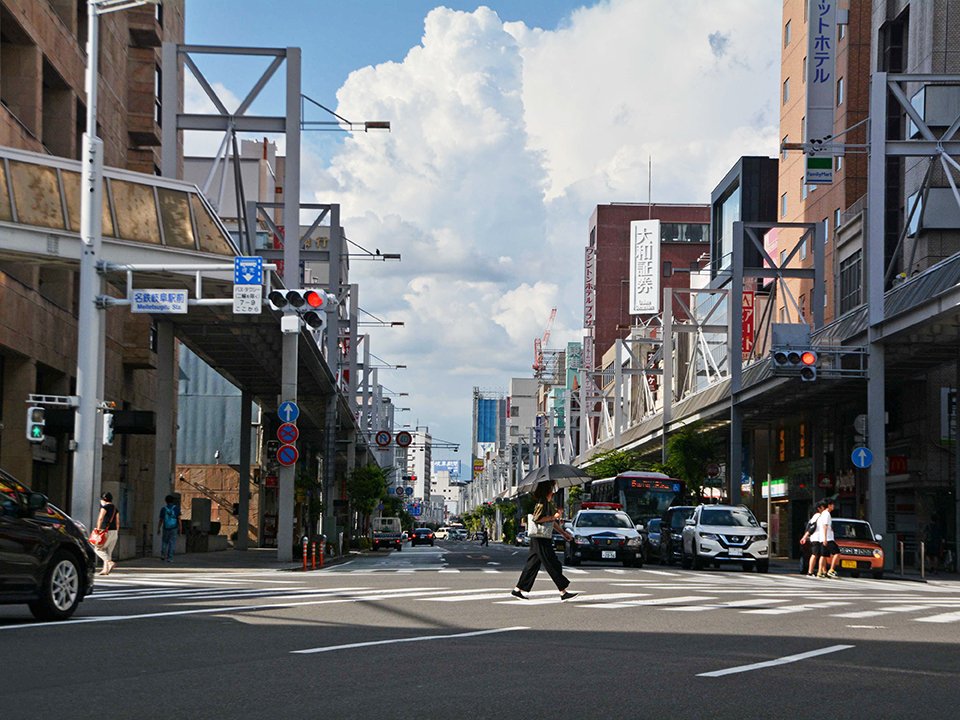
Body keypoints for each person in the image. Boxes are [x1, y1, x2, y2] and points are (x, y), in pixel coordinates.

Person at [511, 481, 579, 601]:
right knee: (552, 563)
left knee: (532, 565)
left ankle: (518, 589)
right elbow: (538, 519)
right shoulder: (542, 502)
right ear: (547, 490)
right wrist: (555, 516)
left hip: (540, 537)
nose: (554, 491)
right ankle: (563, 591)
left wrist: (563, 533)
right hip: (540, 538)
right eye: (552, 488)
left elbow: (551, 523)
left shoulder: (547, 503)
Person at [94, 492, 120, 575]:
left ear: (103, 499)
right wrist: (117, 531)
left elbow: (100, 518)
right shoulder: (115, 509)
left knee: (98, 549)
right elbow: (118, 522)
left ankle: (109, 562)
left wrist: (98, 530)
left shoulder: (104, 507)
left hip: (105, 531)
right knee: (108, 551)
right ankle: (106, 570)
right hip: (114, 532)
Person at [799, 500, 827, 576]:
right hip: (817, 538)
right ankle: (811, 571)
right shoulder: (818, 516)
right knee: (815, 555)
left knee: (821, 555)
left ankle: (823, 571)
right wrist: (804, 537)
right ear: (820, 508)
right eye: (824, 507)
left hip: (817, 538)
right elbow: (812, 528)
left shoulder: (818, 516)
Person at [817, 498, 840, 578]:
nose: (834, 506)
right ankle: (831, 570)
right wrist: (825, 538)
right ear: (829, 505)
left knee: (823, 555)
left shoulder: (822, 514)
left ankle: (820, 572)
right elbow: (825, 526)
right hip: (828, 538)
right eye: (833, 505)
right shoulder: (827, 514)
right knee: (837, 553)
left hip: (822, 538)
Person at [157, 495, 180, 563]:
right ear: (173, 501)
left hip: (165, 527)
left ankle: (163, 555)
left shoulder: (163, 509)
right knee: (172, 543)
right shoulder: (176, 508)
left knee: (164, 542)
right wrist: (180, 528)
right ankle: (170, 558)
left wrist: (158, 528)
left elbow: (161, 520)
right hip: (174, 528)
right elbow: (179, 519)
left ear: (166, 501)